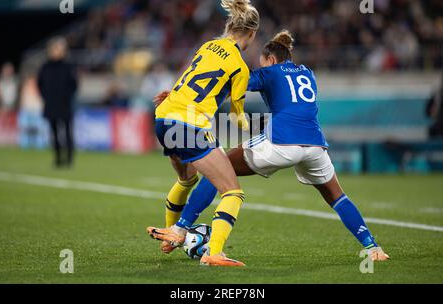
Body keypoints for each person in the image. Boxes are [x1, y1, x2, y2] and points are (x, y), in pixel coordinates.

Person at [154, 30, 390, 262]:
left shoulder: (271, 73)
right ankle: (372, 247)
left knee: (218, 167)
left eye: (262, 64)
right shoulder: (308, 73)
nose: (261, 68)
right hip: (315, 144)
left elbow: (232, 83)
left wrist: (180, 96)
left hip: (282, 140)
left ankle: (182, 229)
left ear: (271, 60)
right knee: (338, 198)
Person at [146, 0, 259, 267]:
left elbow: (190, 77)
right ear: (252, 34)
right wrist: (257, 130)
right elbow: (238, 115)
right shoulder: (240, 66)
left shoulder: (208, 45)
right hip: (190, 125)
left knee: (188, 179)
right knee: (232, 190)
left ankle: (171, 237)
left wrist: (171, 94)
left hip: (164, 118)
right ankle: (212, 251)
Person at [37, 37, 78, 168]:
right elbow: (40, 84)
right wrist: (46, 96)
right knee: (54, 132)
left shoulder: (68, 66)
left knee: (67, 132)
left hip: (65, 104)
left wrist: (67, 97)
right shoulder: (45, 67)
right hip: (51, 104)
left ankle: (69, 159)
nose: (56, 52)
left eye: (59, 49)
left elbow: (74, 85)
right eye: (54, 49)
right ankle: (58, 158)